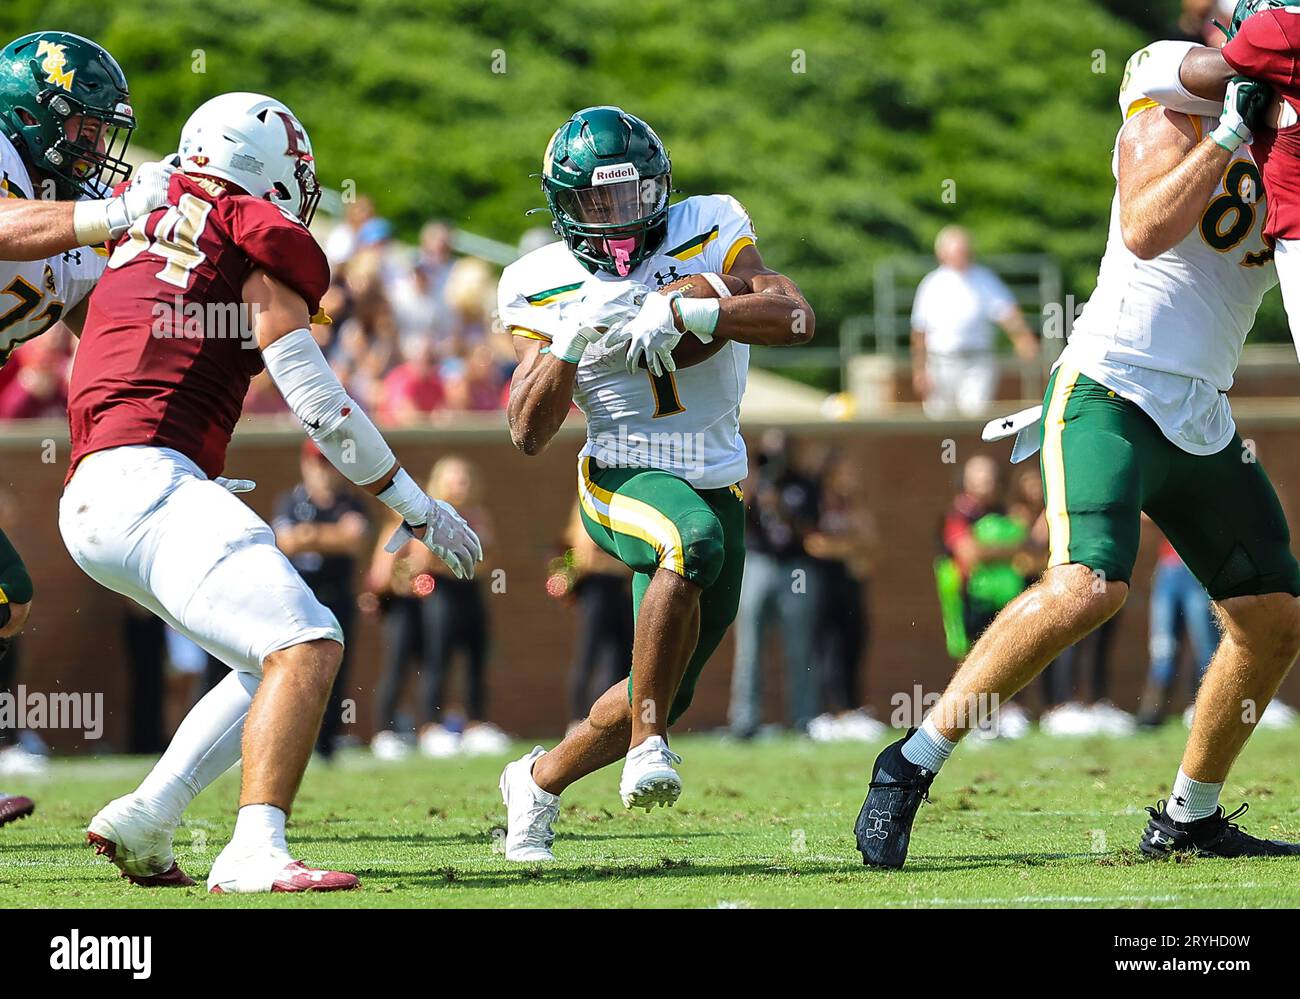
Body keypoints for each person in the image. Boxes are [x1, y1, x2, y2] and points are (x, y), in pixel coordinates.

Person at [856, 39, 1300, 869]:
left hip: (1200, 409)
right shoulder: (1169, 90)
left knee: (1274, 615)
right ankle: (910, 763)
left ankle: (1188, 819)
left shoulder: (1290, 141)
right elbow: (1143, 229)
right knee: (1088, 585)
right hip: (1111, 384)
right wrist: (1230, 131)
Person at [61, 91, 481, 894]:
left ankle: (151, 811)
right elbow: (319, 403)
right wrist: (415, 503)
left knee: (268, 659)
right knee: (310, 644)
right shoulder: (247, 236)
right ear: (265, 171)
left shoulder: (134, 230)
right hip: (148, 481)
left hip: (99, 489)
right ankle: (254, 846)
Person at [498, 105, 813, 861]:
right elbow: (526, 430)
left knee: (666, 685)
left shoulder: (707, 227)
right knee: (688, 541)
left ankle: (537, 782)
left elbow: (796, 317)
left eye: (632, 195)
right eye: (595, 201)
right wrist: (570, 336)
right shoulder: (540, 281)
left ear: (661, 190)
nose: (615, 215)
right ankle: (647, 748)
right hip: (622, 470)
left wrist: (701, 306)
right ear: (564, 207)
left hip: (718, 474)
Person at [0, 29, 172, 828]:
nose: (95, 146)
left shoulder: (66, 222)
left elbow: (115, 327)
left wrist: (237, 305)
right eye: (82, 126)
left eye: (102, 130)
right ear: (31, 116)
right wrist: (112, 213)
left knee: (6, 598)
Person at [272, 441, 370, 760]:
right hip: (300, 598)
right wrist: (331, 535)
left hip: (337, 597)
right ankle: (290, 743)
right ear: (305, 464)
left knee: (334, 672)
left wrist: (308, 535)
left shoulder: (350, 503)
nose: (323, 471)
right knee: (295, 671)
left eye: (329, 464)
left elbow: (353, 541)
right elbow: (285, 542)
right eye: (317, 463)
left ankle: (326, 744)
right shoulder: (290, 500)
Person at [728, 429, 822, 737]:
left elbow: (808, 529)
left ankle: (803, 718)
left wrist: (778, 503)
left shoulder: (802, 484)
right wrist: (754, 486)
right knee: (749, 645)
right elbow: (735, 516)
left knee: (800, 645)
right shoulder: (752, 482)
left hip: (795, 567)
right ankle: (745, 721)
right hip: (757, 563)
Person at [909, 226, 1038, 418]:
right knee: (939, 420)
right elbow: (919, 331)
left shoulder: (984, 279)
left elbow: (1007, 312)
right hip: (940, 362)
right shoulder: (932, 283)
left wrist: (1023, 339)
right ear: (942, 254)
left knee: (975, 418)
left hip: (977, 361)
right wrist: (919, 369)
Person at [805, 452, 883, 743]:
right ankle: (830, 713)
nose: (849, 481)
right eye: (843, 474)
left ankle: (852, 709)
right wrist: (850, 547)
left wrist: (849, 546)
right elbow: (816, 544)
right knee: (828, 650)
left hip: (852, 588)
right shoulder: (819, 505)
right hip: (823, 587)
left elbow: (871, 545)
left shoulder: (856, 507)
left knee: (855, 644)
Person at [554, 503, 634, 730]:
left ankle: (613, 718)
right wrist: (619, 563)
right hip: (597, 589)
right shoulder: (590, 509)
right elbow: (585, 556)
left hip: (619, 589)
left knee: (621, 655)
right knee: (588, 652)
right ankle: (577, 719)